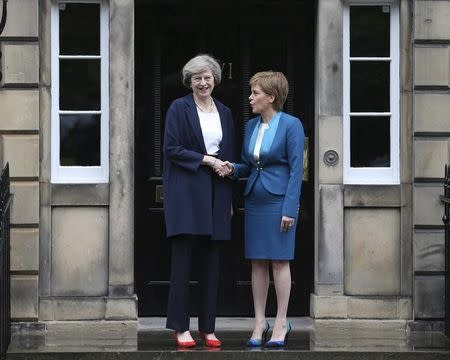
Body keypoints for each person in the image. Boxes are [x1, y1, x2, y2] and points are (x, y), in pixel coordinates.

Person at [226, 71, 304, 347]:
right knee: (257, 261)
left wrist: (290, 209)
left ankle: (281, 322)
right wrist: (233, 168)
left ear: (271, 97)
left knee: (280, 261)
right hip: (256, 201)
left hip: (279, 202)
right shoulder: (251, 127)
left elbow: (297, 171)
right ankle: (260, 322)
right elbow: (249, 165)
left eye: (255, 93)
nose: (250, 97)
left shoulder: (292, 126)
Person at [163, 54, 234, 348]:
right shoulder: (178, 108)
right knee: (183, 263)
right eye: (197, 78)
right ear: (189, 82)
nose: (203, 83)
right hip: (186, 192)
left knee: (211, 265)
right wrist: (207, 160)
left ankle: (208, 327)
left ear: (215, 79)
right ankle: (180, 327)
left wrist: (228, 173)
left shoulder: (226, 112)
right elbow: (171, 148)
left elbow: (229, 150)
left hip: (218, 192)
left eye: (207, 77)